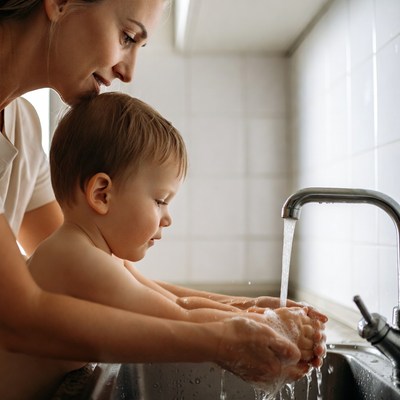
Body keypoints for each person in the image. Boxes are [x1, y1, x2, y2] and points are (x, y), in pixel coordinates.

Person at [0, 0, 326, 390]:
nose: (128, 70)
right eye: (126, 36)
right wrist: (228, 340)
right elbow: (18, 318)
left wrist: (248, 309)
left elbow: (129, 285)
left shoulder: (24, 127)